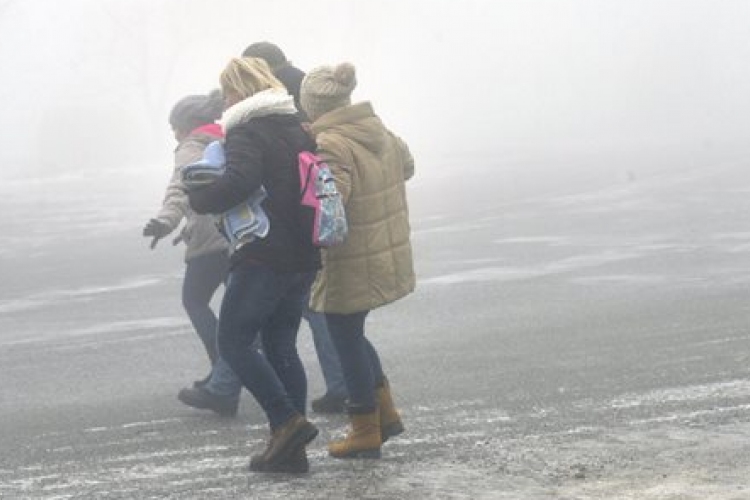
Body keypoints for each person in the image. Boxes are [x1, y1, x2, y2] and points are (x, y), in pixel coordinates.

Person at [187, 57, 319, 473]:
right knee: (281, 345)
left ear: (241, 91)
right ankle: (290, 451)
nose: (225, 100)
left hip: (262, 251)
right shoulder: (295, 127)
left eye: (228, 92)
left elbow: (241, 180)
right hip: (302, 252)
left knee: (234, 341)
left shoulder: (246, 128)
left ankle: (286, 421)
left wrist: (201, 198)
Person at [300, 62, 415, 459]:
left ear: (312, 106)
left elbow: (335, 200)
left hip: (349, 258)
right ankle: (385, 414)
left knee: (343, 335)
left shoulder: (330, 142)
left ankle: (365, 427)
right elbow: (409, 165)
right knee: (352, 332)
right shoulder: (376, 129)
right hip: (382, 247)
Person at [242, 41, 348, 414]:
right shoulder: (303, 87)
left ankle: (338, 387)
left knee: (306, 314)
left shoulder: (276, 96)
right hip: (309, 222)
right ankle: (343, 384)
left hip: (293, 224)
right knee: (312, 310)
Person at [143, 90, 239, 416]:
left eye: (175, 126)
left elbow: (182, 187)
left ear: (188, 125)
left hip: (211, 243)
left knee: (194, 300)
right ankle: (224, 377)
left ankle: (222, 370)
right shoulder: (229, 138)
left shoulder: (191, 147)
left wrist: (165, 221)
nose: (174, 134)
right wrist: (187, 228)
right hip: (239, 235)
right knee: (239, 311)